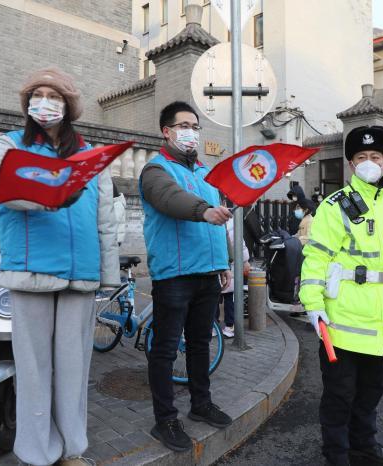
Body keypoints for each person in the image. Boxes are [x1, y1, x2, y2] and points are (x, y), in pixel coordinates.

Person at [0, 67, 120, 466]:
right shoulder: (7, 145)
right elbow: (4, 188)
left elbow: (106, 217)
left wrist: (107, 275)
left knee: (74, 370)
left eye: (55, 95)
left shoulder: (90, 155)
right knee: (34, 370)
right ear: (27, 103)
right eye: (37, 95)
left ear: (69, 105)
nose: (45, 102)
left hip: (81, 275)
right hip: (31, 270)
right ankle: (38, 453)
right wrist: (52, 196)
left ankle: (72, 450)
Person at [299, 125, 383, 466]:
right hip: (342, 321)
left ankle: (363, 447)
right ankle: (337, 454)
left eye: (375, 156)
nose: (369, 162)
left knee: (371, 391)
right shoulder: (336, 205)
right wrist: (312, 304)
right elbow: (317, 257)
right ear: (351, 164)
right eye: (361, 157)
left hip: (381, 323)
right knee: (340, 394)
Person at [139, 101, 233, 453]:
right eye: (184, 125)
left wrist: (225, 262)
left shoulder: (207, 174)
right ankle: (165, 419)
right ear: (167, 131)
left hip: (207, 273)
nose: (191, 131)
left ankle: (201, 403)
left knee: (199, 344)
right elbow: (169, 198)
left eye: (195, 126)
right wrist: (204, 210)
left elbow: (218, 223)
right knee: (163, 350)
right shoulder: (155, 170)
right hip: (174, 276)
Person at [220, 217, 251, 338]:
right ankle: (229, 327)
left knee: (216, 299)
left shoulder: (211, 219)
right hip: (231, 266)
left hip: (218, 265)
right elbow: (241, 245)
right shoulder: (233, 222)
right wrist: (245, 261)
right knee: (229, 299)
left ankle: (214, 326)